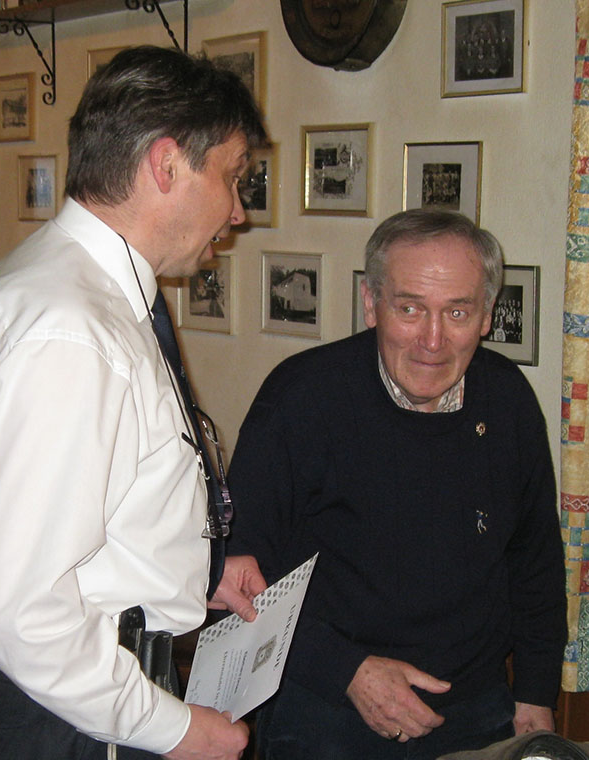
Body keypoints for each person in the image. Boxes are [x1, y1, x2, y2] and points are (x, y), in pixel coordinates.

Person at [0, 46, 268, 760]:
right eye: (232, 176)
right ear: (166, 163)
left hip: (69, 695)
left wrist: (188, 571)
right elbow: (24, 610)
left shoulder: (80, 289)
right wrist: (173, 729)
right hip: (64, 710)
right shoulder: (73, 330)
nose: (238, 211)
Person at [226, 209, 567, 759]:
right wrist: (347, 671)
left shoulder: (509, 402)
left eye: (457, 312)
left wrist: (535, 691)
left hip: (476, 711)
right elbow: (237, 579)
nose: (432, 340)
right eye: (409, 309)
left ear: (485, 316)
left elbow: (535, 563)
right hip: (328, 709)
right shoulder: (301, 399)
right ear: (371, 304)